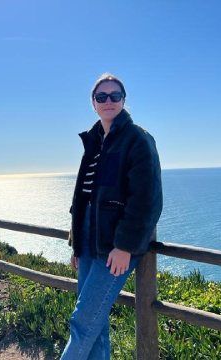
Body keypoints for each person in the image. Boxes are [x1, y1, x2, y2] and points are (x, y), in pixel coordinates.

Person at [60, 73, 163, 359]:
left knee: (82, 322)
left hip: (115, 249)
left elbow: (147, 200)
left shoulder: (138, 139)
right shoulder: (94, 142)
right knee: (96, 326)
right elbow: (83, 198)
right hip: (89, 246)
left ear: (123, 100)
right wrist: (77, 245)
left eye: (114, 96)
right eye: (101, 96)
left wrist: (125, 246)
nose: (108, 101)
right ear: (93, 103)